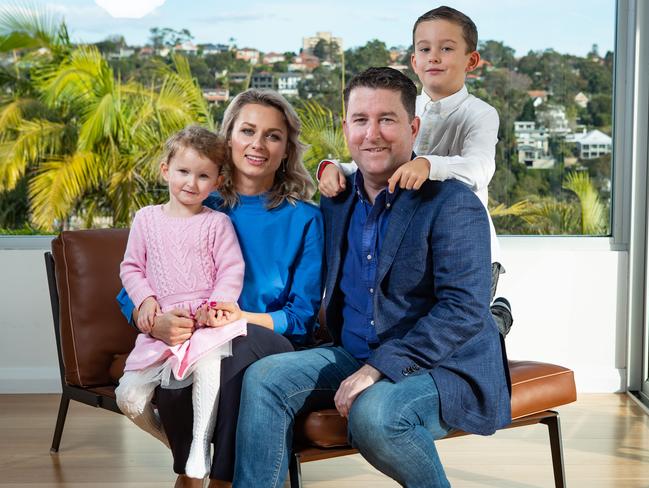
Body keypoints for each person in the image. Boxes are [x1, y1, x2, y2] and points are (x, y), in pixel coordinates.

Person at [233, 67, 511, 488]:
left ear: (413, 127)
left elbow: (462, 311)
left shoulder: (454, 203)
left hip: (442, 366)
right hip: (354, 350)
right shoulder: (337, 198)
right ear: (345, 128)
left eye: (387, 120)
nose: (372, 134)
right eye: (360, 120)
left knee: (375, 414)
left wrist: (379, 368)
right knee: (266, 378)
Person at [116, 90, 324, 488]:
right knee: (185, 374)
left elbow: (300, 317)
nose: (258, 144)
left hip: (271, 340)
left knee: (230, 351)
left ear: (286, 150)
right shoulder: (195, 199)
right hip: (193, 336)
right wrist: (153, 320)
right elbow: (137, 278)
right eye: (248, 130)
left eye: (273, 136)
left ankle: (220, 481)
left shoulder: (304, 220)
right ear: (228, 138)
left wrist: (240, 317)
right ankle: (192, 469)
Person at [317, 5, 512, 335]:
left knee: (464, 328)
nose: (433, 57)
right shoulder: (405, 106)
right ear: (414, 61)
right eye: (425, 49)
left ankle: (495, 320)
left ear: (471, 61)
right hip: (413, 236)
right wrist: (332, 167)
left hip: (465, 245)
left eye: (446, 48)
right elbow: (374, 155)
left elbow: (480, 168)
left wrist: (428, 163)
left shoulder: (480, 114)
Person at [115, 126, 248, 479]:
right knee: (128, 396)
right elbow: (131, 267)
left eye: (203, 176)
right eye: (183, 172)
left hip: (203, 324)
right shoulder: (146, 219)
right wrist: (144, 300)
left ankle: (200, 446)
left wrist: (218, 306)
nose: (191, 183)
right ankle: (183, 445)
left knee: (207, 366)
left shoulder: (217, 223)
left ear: (217, 182)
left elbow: (231, 269)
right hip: (161, 325)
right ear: (165, 170)